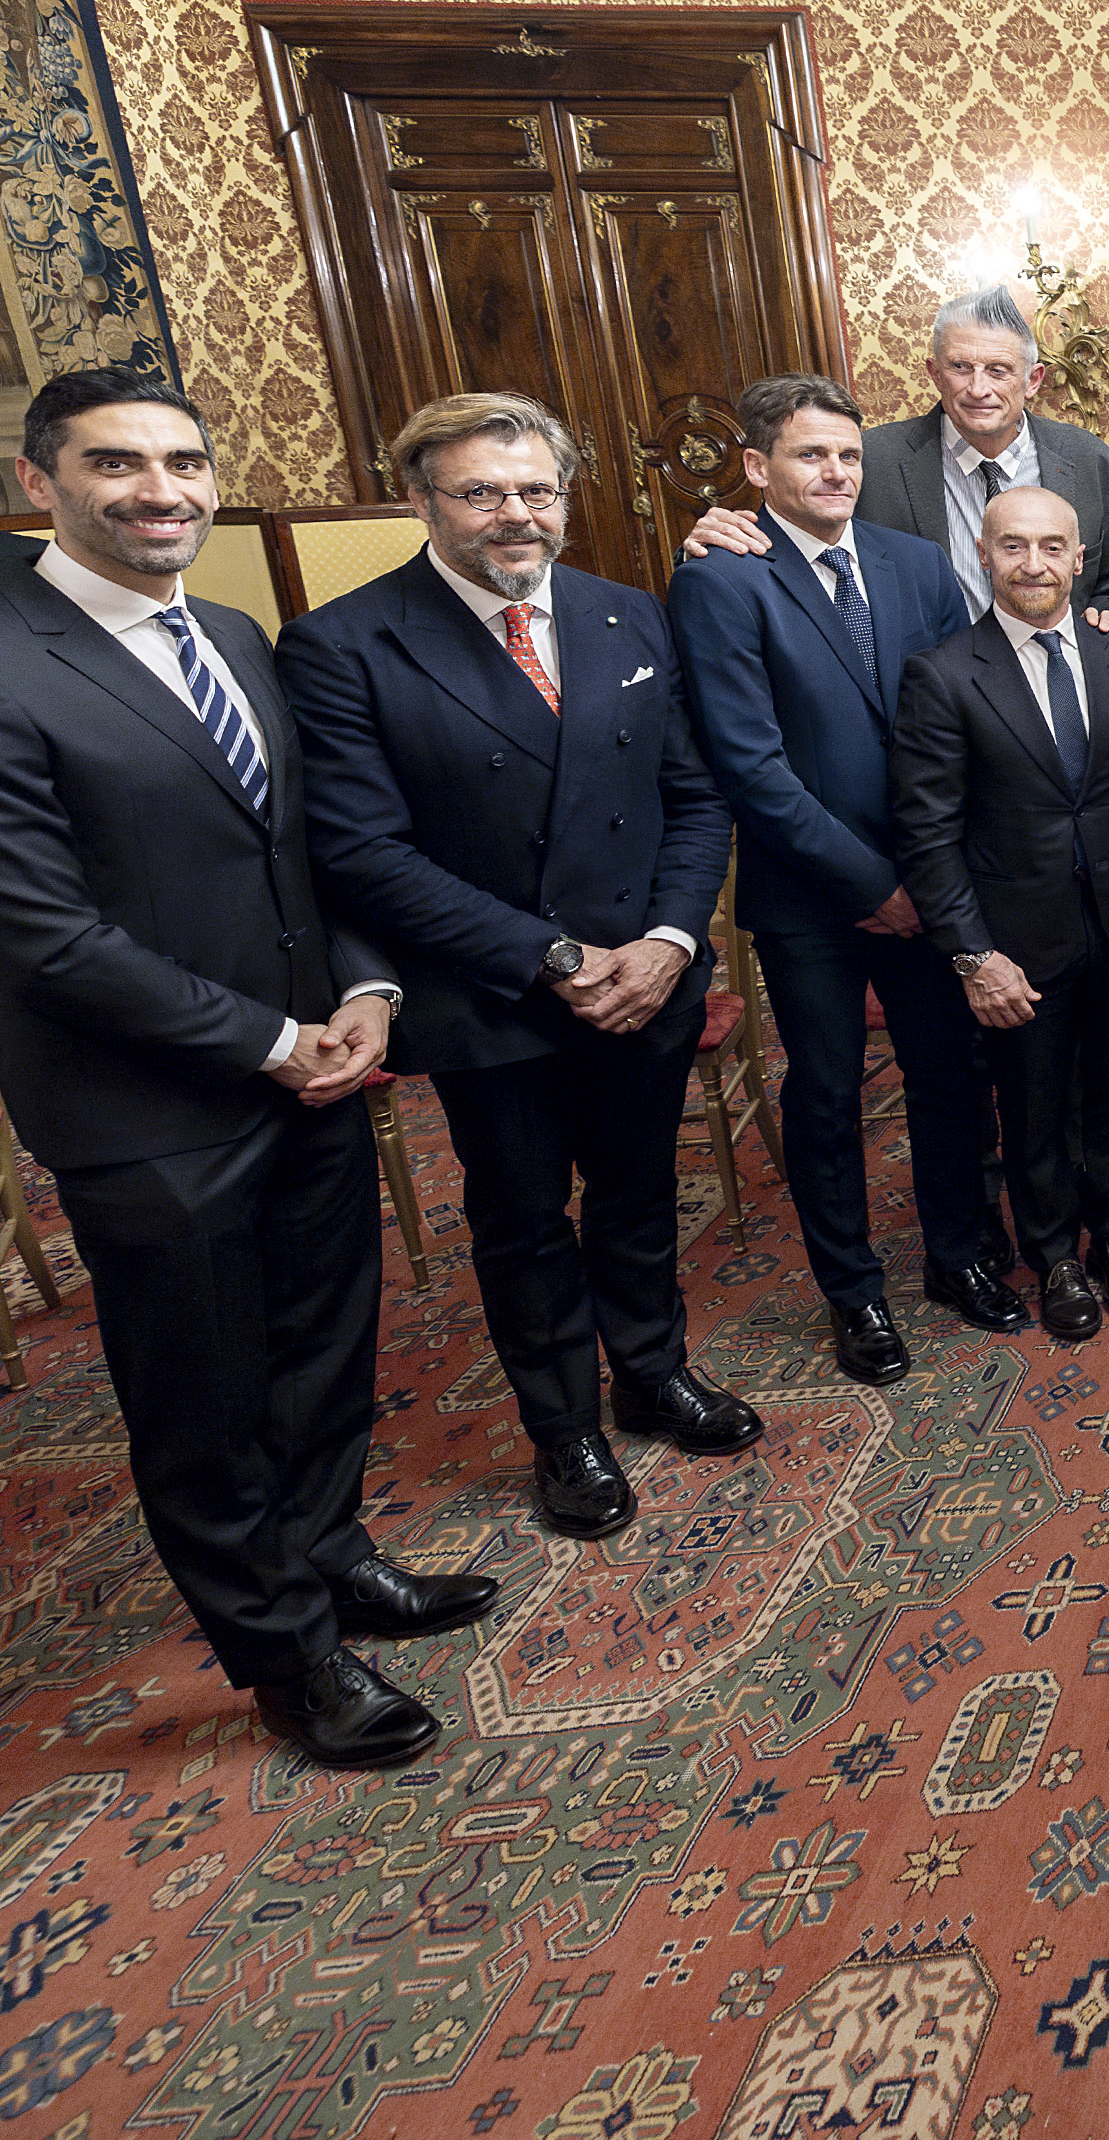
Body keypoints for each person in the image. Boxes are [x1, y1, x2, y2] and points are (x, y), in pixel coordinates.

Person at [0, 368, 480, 1770]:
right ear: (39, 481)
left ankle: (330, 1558)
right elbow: (43, 933)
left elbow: (306, 855)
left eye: (185, 462)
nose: (162, 490)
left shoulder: (231, 630)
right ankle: (287, 1658)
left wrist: (366, 989)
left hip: (311, 1070)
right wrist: (271, 1041)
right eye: (117, 463)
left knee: (323, 1349)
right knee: (202, 1402)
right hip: (149, 1107)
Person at [278, 391, 759, 1542]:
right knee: (523, 1219)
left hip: (642, 979)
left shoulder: (626, 614)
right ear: (420, 500)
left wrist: (669, 941)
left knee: (641, 1192)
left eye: (537, 489)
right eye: (481, 492)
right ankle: (565, 1430)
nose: (516, 514)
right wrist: (550, 956)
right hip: (491, 993)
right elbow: (363, 851)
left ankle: (652, 1372)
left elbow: (695, 798)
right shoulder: (345, 644)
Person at [669, 373, 1022, 1383]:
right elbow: (749, 764)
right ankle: (854, 1291)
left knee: (950, 1075)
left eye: (848, 455)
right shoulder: (722, 580)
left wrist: (932, 878)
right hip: (811, 896)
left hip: (931, 878)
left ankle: (959, 1253)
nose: (835, 472)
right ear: (756, 466)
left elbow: (961, 715)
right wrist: (871, 885)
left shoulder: (916, 564)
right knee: (825, 1095)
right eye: (810, 454)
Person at [890, 486, 1109, 1342]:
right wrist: (971, 955)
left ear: (1078, 558)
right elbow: (928, 833)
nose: (1033, 564)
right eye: (1013, 546)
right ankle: (1054, 1256)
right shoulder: (943, 674)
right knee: (1032, 1109)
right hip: (1016, 941)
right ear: (983, 556)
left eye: (1051, 547)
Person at [855, 287, 1109, 610]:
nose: (978, 389)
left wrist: (1104, 615)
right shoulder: (874, 462)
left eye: (997, 370)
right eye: (960, 367)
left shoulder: (1089, 459)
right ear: (935, 374)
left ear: (1033, 380)